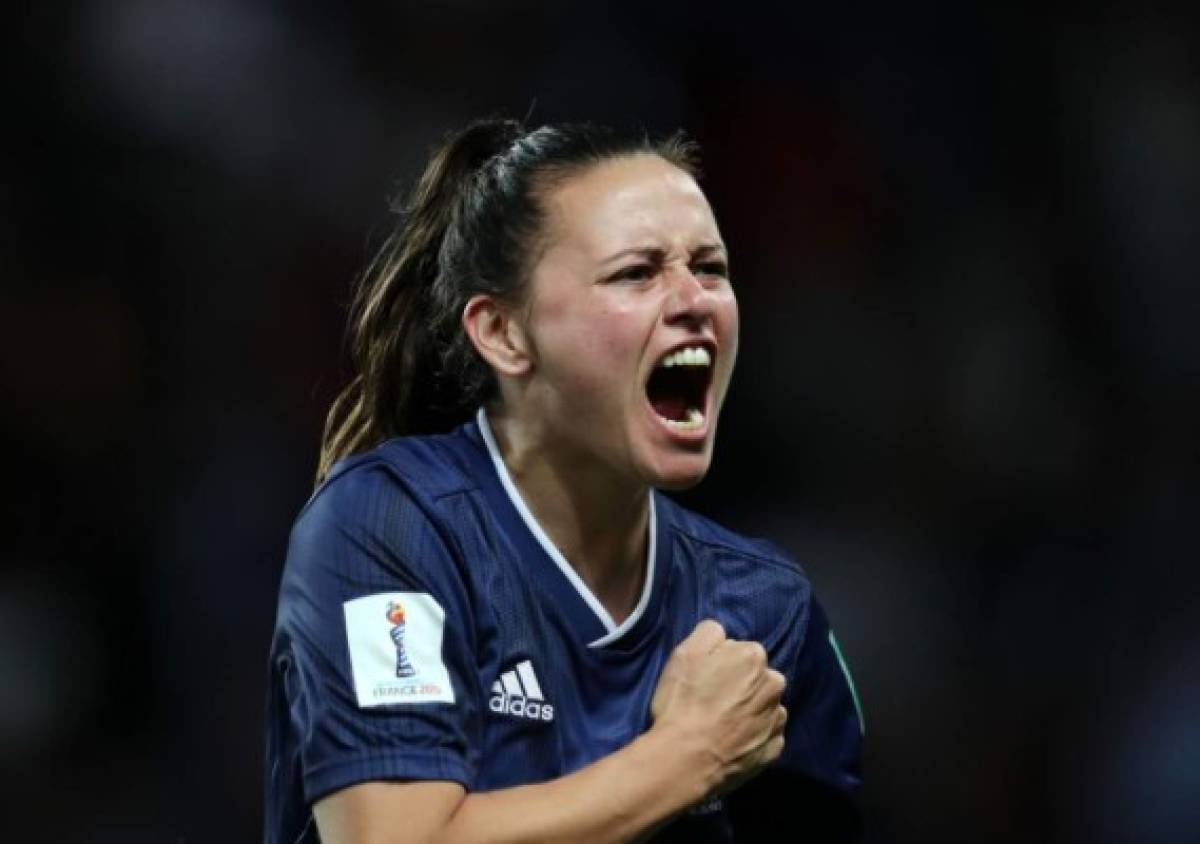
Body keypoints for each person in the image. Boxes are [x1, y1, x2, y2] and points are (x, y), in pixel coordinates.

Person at [264, 118, 865, 843]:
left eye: (710, 268)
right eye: (636, 273)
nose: (693, 299)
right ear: (504, 334)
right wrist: (686, 756)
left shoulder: (769, 612)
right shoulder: (390, 527)